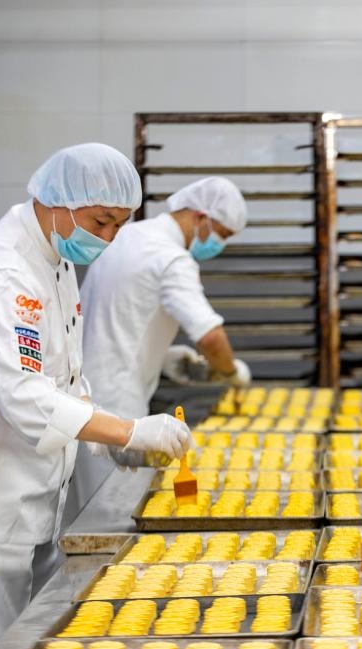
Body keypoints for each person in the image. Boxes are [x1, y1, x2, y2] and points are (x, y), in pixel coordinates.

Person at [0, 143, 192, 649]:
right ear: (58, 201)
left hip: (27, 497)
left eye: (118, 227)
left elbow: (66, 379)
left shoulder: (54, 261)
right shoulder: (5, 271)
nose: (106, 239)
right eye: (101, 221)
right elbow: (23, 396)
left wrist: (108, 438)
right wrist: (127, 427)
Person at [68, 176, 251, 515]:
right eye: (221, 235)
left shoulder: (129, 237)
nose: (219, 245)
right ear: (201, 218)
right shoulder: (171, 258)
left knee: (96, 506)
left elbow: (116, 318)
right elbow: (210, 336)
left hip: (85, 393)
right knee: (116, 513)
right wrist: (232, 373)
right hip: (118, 402)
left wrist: (161, 358)